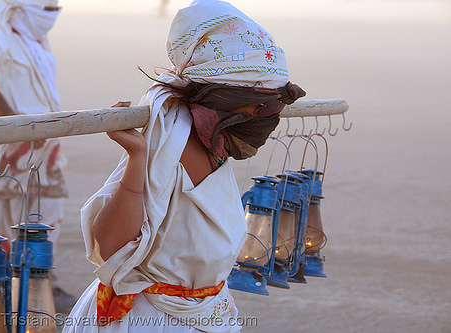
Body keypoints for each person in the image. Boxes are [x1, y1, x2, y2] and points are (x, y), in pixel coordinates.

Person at [64, 0, 305, 331]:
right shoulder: (167, 144)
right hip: (149, 319)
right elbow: (111, 247)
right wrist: (138, 156)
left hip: (208, 312)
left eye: (279, 103)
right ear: (223, 100)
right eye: (263, 107)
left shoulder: (217, 142)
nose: (270, 117)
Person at [0, 0, 77, 311]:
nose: (51, 13)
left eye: (54, 7)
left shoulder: (37, 44)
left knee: (44, 214)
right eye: (44, 7)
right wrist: (16, 128)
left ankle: (41, 283)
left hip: (41, 145)